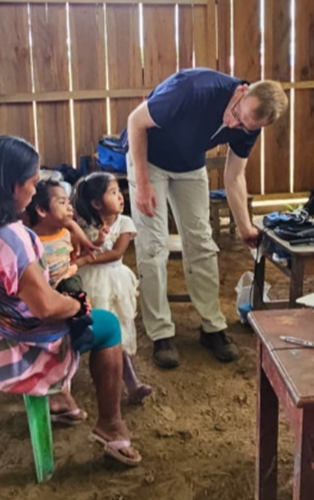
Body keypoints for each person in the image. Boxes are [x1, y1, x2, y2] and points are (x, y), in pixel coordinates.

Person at [0, 135, 141, 466]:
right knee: (106, 324)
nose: (33, 190)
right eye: (32, 182)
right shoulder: (8, 238)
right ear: (14, 186)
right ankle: (110, 426)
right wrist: (76, 305)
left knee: (57, 308)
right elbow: (46, 308)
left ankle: (60, 399)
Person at [122, 68, 289, 368]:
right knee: (153, 245)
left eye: (244, 126)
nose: (234, 125)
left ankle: (212, 326)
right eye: (237, 115)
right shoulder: (193, 89)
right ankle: (161, 332)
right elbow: (135, 121)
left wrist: (245, 227)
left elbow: (234, 176)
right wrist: (143, 184)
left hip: (189, 165)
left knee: (201, 242)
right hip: (149, 158)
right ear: (242, 91)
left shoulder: (250, 124)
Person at [73, 173, 153, 405]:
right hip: (89, 282)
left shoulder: (125, 223)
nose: (120, 197)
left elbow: (116, 253)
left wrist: (87, 260)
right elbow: (76, 250)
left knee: (119, 329)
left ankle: (132, 383)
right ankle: (65, 384)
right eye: (113, 192)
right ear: (96, 203)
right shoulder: (83, 226)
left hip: (115, 281)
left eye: (119, 191)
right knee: (84, 328)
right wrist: (86, 252)